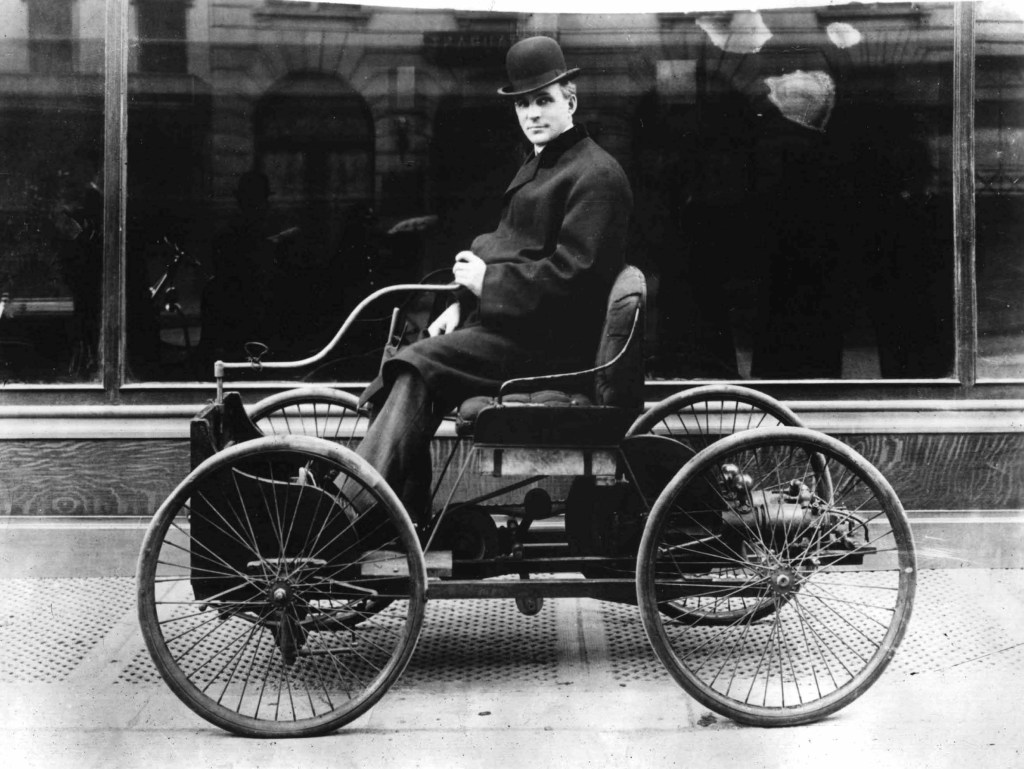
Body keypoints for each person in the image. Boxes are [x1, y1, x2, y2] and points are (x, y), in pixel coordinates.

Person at [353, 36, 633, 525]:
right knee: (411, 352)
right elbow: (510, 246)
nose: (532, 114)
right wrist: (462, 302)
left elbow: (577, 280)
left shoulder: (596, 175)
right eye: (523, 104)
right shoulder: (543, 164)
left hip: (553, 350)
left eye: (543, 100)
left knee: (418, 364)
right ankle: (391, 516)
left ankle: (350, 507)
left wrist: (488, 286)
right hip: (520, 330)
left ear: (570, 100)